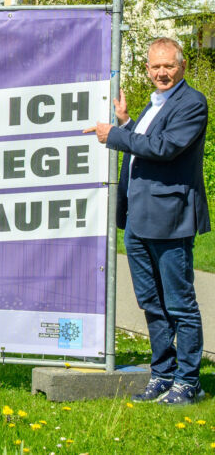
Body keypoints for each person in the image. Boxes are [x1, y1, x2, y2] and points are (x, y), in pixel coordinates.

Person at [86, 37, 209, 405]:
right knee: (152, 303)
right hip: (139, 219)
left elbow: (164, 148)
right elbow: (145, 140)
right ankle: (163, 374)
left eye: (168, 66)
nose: (162, 73)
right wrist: (127, 122)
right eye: (155, 66)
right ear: (147, 69)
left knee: (180, 304)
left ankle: (188, 382)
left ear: (182, 66)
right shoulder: (155, 103)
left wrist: (115, 135)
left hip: (170, 219)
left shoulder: (192, 102)